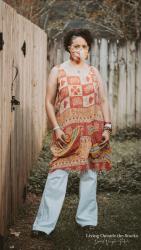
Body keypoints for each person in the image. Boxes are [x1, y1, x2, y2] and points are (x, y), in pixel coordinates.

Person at [31, 28, 112, 238]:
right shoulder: (58, 71)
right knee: (57, 174)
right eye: (77, 46)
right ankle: (43, 225)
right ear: (68, 47)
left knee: (90, 174)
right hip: (66, 133)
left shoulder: (94, 72)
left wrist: (107, 127)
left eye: (85, 46)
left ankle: (87, 221)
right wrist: (56, 128)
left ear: (88, 49)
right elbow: (48, 102)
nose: (81, 50)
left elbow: (103, 101)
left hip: (92, 129)